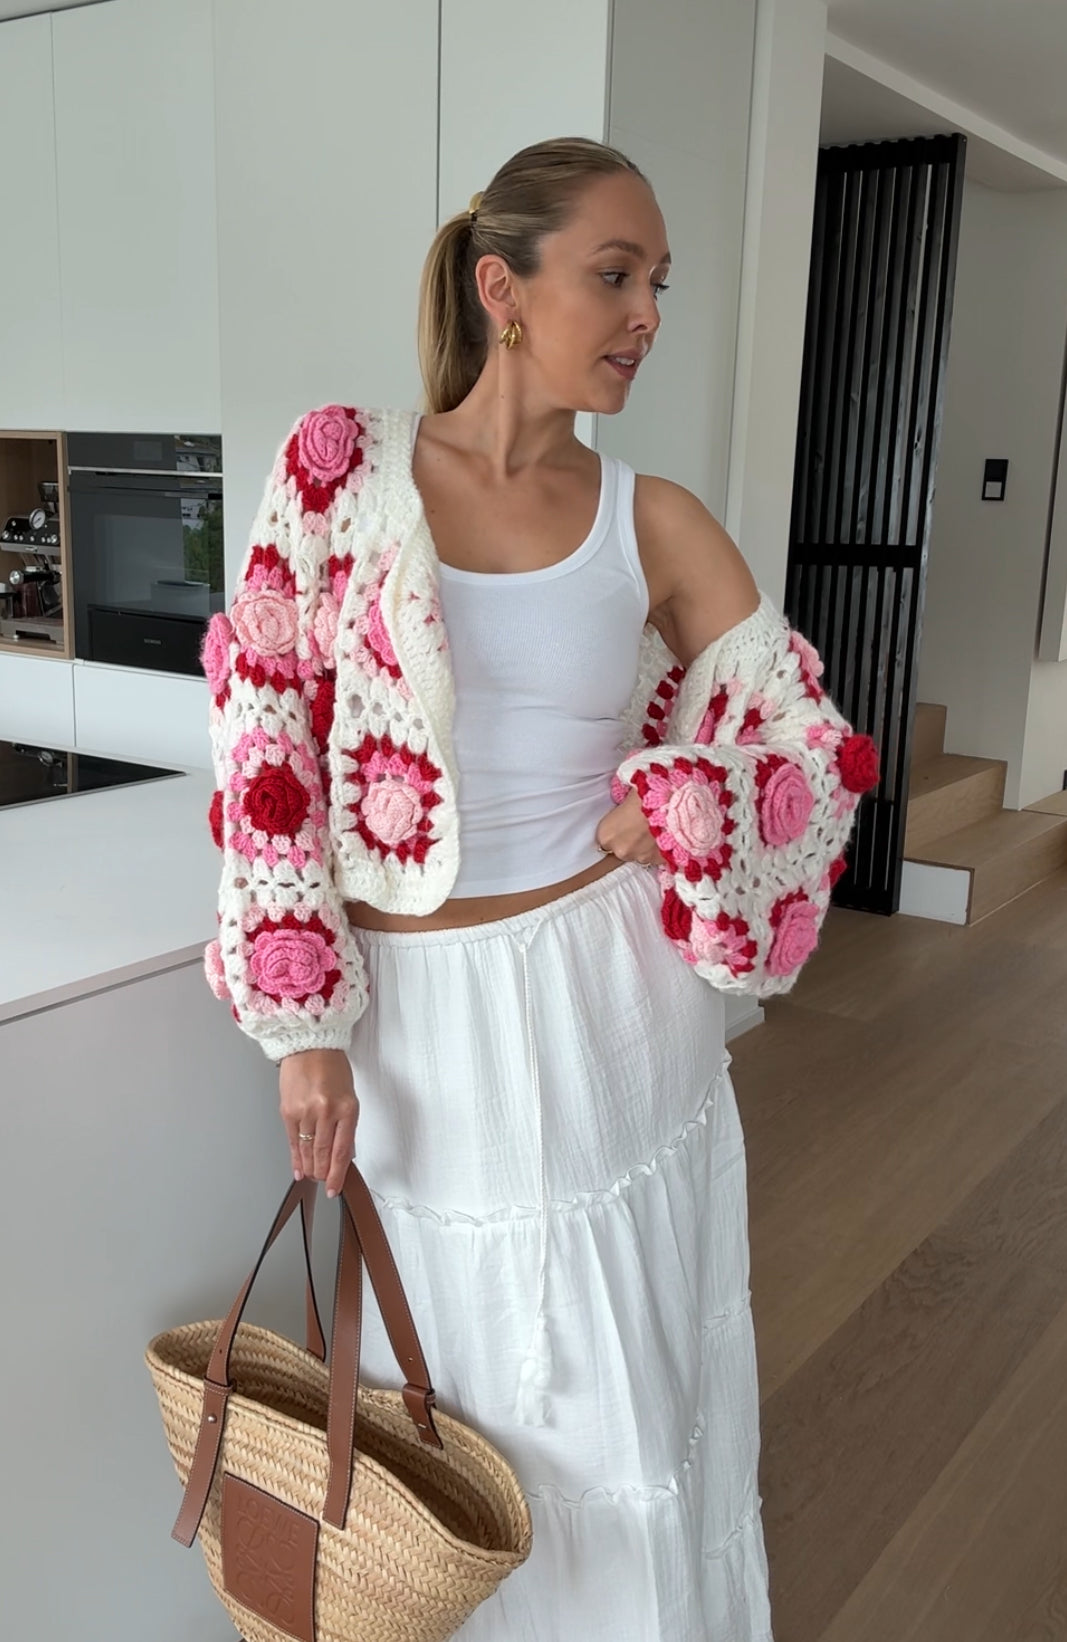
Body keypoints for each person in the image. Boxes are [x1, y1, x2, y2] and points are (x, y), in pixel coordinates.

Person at [202, 136, 878, 1641]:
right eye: (615, 276)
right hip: (416, 1032)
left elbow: (811, 754)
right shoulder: (340, 472)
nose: (647, 315)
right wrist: (302, 1026)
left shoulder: (654, 517)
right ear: (502, 288)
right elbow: (265, 742)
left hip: (603, 1008)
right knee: (445, 1402)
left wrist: (686, 800)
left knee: (610, 1395)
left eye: (659, 285)